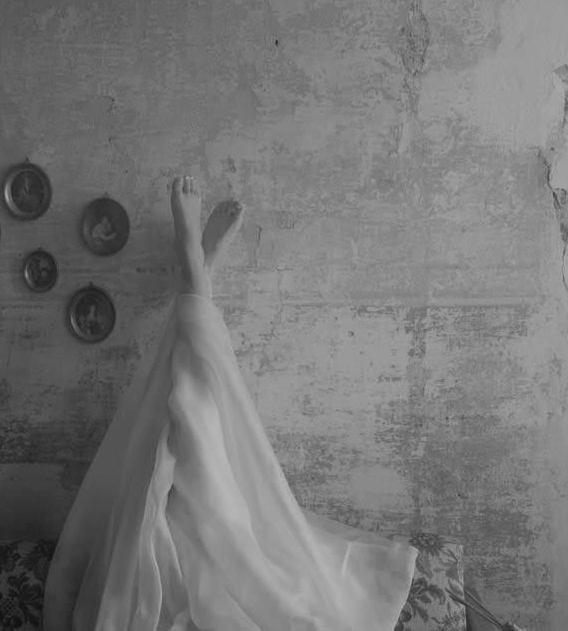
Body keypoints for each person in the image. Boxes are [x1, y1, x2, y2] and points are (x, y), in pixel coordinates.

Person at [43, 176, 417, 631]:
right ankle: (197, 274)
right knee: (196, 433)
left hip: (172, 530)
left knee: (173, 429)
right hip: (205, 535)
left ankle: (197, 273)